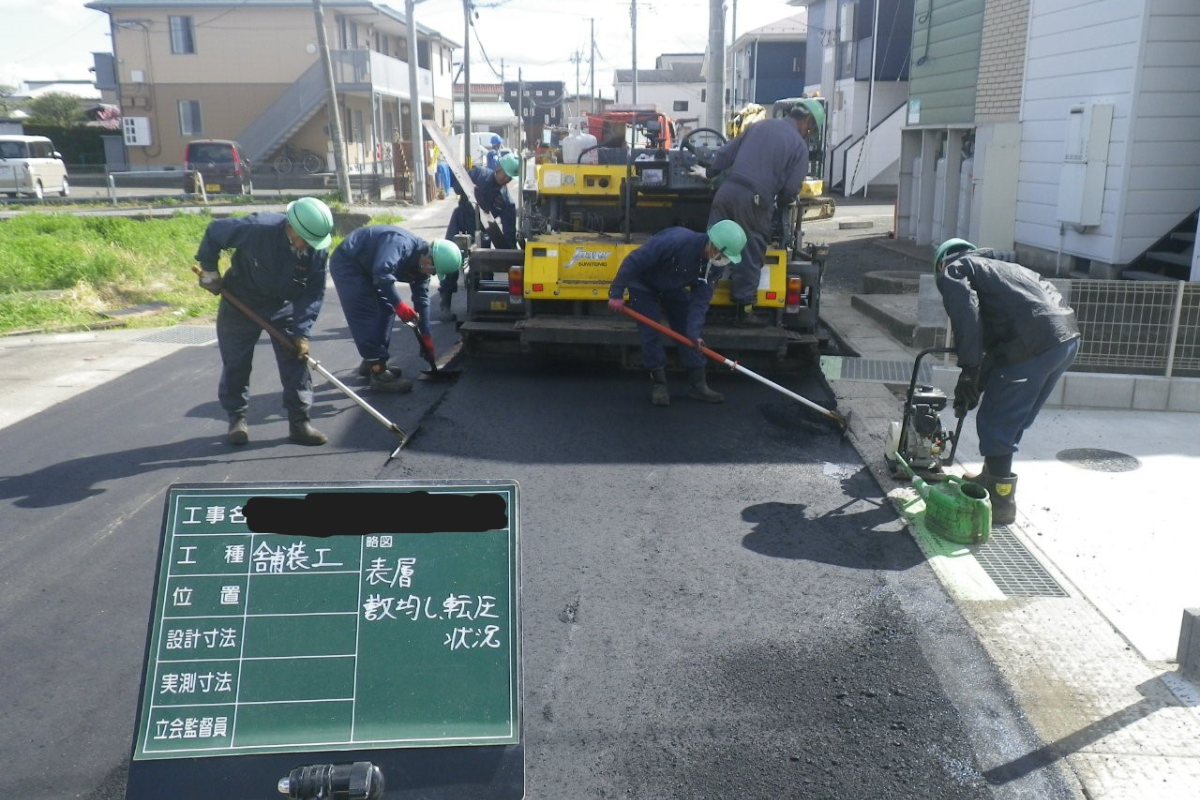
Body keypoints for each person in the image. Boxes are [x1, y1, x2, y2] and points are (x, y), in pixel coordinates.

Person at [934, 238, 1082, 525]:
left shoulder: (955, 269)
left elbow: (966, 313)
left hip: (1035, 341)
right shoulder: (1004, 271)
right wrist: (977, 382)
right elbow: (1001, 348)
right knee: (1014, 418)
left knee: (996, 419)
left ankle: (1002, 502)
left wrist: (969, 368)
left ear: (942, 262)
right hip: (1065, 338)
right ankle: (992, 477)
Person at [195, 197, 335, 447]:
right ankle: (236, 418)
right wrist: (209, 271)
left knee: (296, 361)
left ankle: (300, 422)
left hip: (283, 303)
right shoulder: (257, 228)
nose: (308, 247)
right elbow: (214, 233)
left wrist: (302, 331)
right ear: (290, 227)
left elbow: (313, 292)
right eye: (304, 239)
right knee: (236, 362)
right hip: (240, 300)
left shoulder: (317, 247)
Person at [705, 98, 824, 327]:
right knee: (750, 251)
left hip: (726, 192)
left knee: (714, 246)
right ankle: (745, 310)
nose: (810, 134)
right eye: (812, 129)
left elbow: (724, 154)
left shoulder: (760, 126)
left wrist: (711, 171)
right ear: (807, 121)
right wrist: (780, 205)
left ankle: (700, 299)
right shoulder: (799, 147)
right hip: (754, 201)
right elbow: (790, 189)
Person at [606, 220, 748, 406]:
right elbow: (633, 261)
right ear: (714, 246)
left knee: (688, 332)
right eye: (724, 255)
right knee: (650, 332)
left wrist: (694, 332)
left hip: (672, 285)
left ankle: (698, 385)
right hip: (643, 284)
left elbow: (701, 300)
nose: (725, 261)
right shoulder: (675, 242)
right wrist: (616, 293)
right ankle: (659, 385)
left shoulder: (714, 266)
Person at [329, 225, 463, 394]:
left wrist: (426, 337)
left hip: (367, 267)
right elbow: (382, 274)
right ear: (428, 258)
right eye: (433, 270)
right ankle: (378, 373)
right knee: (368, 312)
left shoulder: (423, 268)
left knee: (386, 310)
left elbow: (422, 300)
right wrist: (400, 306)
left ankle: (374, 361)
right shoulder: (400, 244)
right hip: (348, 263)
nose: (432, 274)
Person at [439, 152, 521, 319]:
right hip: (461, 220)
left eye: (509, 178)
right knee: (450, 260)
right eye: (505, 175)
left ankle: (482, 304)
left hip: (484, 231)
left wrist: (512, 255)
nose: (506, 180)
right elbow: (456, 186)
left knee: (484, 266)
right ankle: (445, 303)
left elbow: (509, 231)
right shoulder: (478, 174)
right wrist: (465, 185)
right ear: (497, 168)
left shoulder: (506, 201)